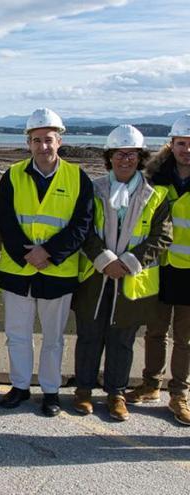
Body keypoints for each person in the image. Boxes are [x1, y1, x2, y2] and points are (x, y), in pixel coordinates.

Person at [0, 108, 94, 417]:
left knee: (53, 338)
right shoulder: (12, 176)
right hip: (18, 269)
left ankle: (51, 392)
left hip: (57, 271)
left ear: (60, 140)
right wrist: (28, 254)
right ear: (28, 143)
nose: (43, 146)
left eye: (48, 139)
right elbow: (6, 221)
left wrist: (48, 252)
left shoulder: (78, 177)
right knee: (18, 334)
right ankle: (20, 386)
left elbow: (82, 224)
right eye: (36, 140)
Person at [72, 125, 171, 421]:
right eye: (119, 153)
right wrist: (104, 260)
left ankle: (116, 393)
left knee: (122, 340)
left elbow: (162, 237)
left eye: (131, 154)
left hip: (131, 281)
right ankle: (84, 391)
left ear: (140, 157)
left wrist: (126, 262)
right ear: (109, 156)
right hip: (95, 277)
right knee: (89, 336)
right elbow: (84, 228)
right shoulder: (94, 188)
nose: (125, 159)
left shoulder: (156, 195)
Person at [126, 115, 190, 426]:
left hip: (189, 271)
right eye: (182, 143)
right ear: (171, 145)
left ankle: (179, 393)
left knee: (185, 339)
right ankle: (151, 384)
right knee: (155, 332)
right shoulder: (155, 177)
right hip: (159, 267)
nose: (187, 150)